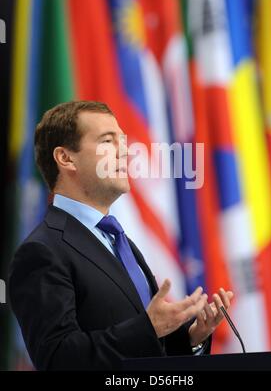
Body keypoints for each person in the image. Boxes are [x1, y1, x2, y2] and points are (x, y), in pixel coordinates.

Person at [9, 101, 233, 370]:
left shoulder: (118, 240)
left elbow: (145, 346)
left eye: (124, 142)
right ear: (66, 158)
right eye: (108, 141)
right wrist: (147, 329)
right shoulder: (41, 251)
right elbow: (58, 358)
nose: (125, 153)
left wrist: (190, 338)